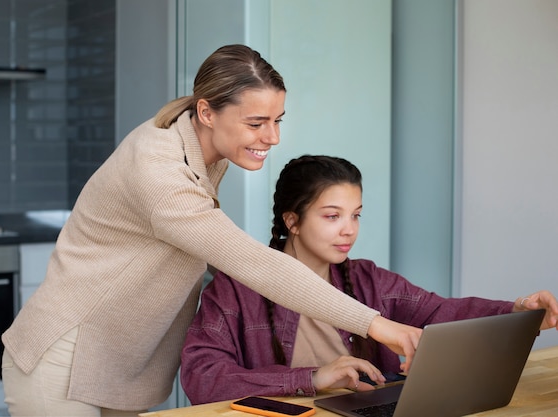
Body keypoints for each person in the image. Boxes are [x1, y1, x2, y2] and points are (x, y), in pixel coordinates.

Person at [0, 45, 423, 416]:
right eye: (256, 122)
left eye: (277, 119)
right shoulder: (159, 170)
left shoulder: (204, 150)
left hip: (115, 357)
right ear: (206, 111)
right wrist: (376, 325)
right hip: (66, 354)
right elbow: (253, 262)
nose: (272, 137)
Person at [180, 154, 558, 405]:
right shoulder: (236, 288)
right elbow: (203, 377)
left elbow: (441, 312)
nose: (349, 230)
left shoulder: (368, 279)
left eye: (356, 215)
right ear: (292, 221)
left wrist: (517, 311)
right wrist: (312, 378)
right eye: (332, 216)